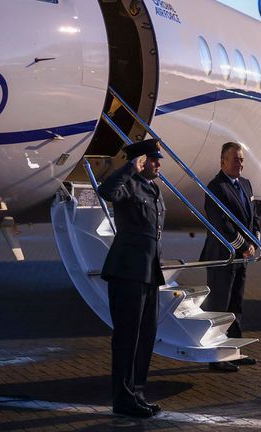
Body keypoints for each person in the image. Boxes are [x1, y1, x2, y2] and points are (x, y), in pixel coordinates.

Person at [98, 139, 166, 418]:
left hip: (149, 273)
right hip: (128, 272)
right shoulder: (128, 185)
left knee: (146, 336)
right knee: (127, 338)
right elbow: (106, 191)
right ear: (141, 161)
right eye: (153, 159)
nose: (158, 164)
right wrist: (129, 168)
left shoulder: (155, 189)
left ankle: (137, 393)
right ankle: (123, 399)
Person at [199, 142, 260, 373]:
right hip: (222, 257)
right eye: (235, 159)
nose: (240, 164)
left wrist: (254, 241)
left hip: (241, 257)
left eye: (242, 159)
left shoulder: (245, 184)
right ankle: (216, 356)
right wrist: (243, 246)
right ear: (222, 162)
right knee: (219, 308)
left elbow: (253, 217)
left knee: (236, 306)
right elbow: (220, 223)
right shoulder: (216, 187)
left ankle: (233, 351)